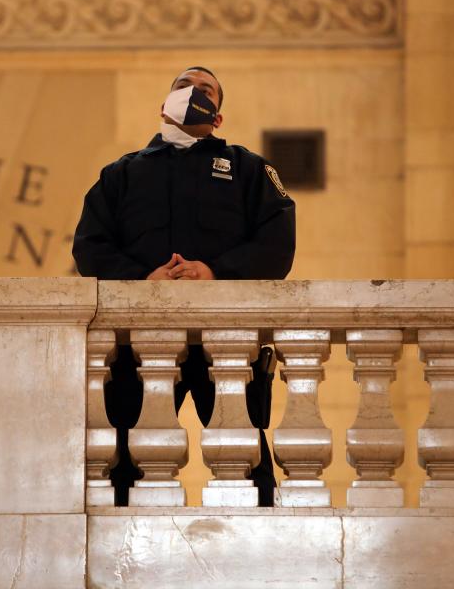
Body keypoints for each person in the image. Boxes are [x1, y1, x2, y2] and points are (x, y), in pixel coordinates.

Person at [72, 66, 296, 506]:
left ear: (218, 118)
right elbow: (89, 247)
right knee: (124, 465)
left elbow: (278, 245)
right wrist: (144, 279)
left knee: (247, 463)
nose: (194, 92)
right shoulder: (119, 175)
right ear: (164, 105)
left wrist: (214, 272)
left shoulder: (249, 169)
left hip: (228, 339)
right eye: (183, 86)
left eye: (206, 89)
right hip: (139, 343)